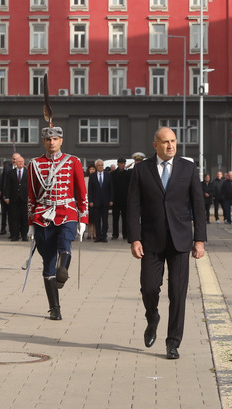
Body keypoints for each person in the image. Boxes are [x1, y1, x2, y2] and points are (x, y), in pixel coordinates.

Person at [128, 127, 206, 360]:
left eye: (173, 141)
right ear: (155, 145)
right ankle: (152, 317)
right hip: (150, 240)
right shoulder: (141, 170)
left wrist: (199, 239)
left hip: (180, 241)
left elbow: (198, 206)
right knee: (149, 287)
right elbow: (133, 207)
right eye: (165, 142)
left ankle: (173, 342)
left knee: (177, 294)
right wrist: (134, 239)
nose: (170, 145)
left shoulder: (188, 168)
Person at [27, 125, 89, 321]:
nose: (52, 142)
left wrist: (83, 218)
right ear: (44, 142)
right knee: (48, 261)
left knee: (65, 242)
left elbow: (81, 193)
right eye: (48, 139)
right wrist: (30, 222)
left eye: (55, 139)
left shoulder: (73, 162)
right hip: (43, 215)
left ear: (61, 141)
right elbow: (31, 196)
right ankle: (54, 308)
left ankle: (63, 271)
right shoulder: (35, 164)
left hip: (67, 211)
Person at [2, 153, 29, 242]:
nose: (20, 163)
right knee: (14, 218)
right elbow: (7, 186)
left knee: (24, 218)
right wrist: (6, 197)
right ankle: (15, 235)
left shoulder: (28, 172)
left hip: (24, 199)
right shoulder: (11, 173)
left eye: (22, 161)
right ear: (16, 163)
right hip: (14, 199)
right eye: (19, 162)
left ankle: (24, 235)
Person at [88, 159, 114, 242]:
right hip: (96, 202)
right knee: (97, 220)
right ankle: (98, 236)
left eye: (102, 165)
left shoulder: (108, 175)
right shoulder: (92, 176)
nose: (100, 167)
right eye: (99, 165)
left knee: (105, 220)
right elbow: (90, 190)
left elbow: (111, 188)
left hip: (105, 201)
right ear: (96, 167)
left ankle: (104, 236)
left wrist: (111, 199)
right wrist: (90, 201)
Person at [111, 158, 131, 239]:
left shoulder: (127, 174)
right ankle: (115, 234)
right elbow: (111, 187)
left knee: (125, 218)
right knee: (115, 218)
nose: (122, 164)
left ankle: (125, 234)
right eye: (121, 163)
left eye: (124, 163)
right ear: (118, 164)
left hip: (125, 199)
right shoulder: (113, 174)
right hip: (115, 199)